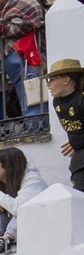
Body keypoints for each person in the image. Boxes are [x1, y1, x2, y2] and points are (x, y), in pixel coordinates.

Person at [46, 57, 84, 193]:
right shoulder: (57, 102)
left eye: (52, 80)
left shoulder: (81, 99)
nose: (48, 85)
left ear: (66, 80)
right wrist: (75, 140)